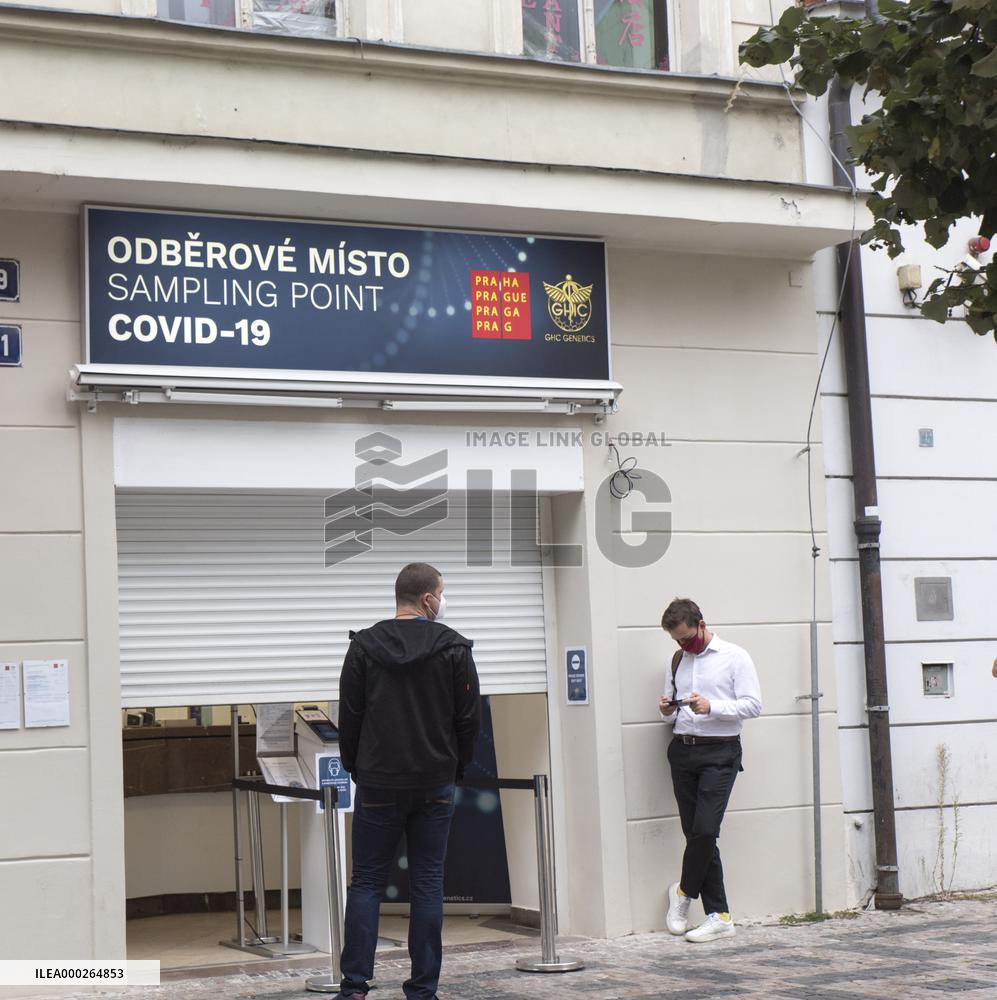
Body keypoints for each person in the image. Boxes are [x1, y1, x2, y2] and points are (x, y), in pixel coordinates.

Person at [335, 562, 481, 1000]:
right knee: (427, 883)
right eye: (442, 592)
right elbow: (468, 719)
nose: (444, 600)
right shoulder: (454, 648)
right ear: (427, 599)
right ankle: (422, 990)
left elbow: (350, 717)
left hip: (379, 782)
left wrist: (357, 768)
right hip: (435, 782)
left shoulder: (364, 647)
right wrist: (455, 768)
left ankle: (354, 987)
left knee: (366, 883)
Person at [657, 597, 762, 943]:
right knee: (696, 834)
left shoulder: (735, 656)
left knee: (704, 830)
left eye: (687, 638)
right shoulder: (677, 660)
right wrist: (667, 710)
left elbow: (753, 705)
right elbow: (671, 713)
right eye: (677, 640)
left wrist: (712, 706)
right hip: (682, 751)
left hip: (720, 752)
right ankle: (719, 916)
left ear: (701, 625)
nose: (683, 646)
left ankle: (684, 892)